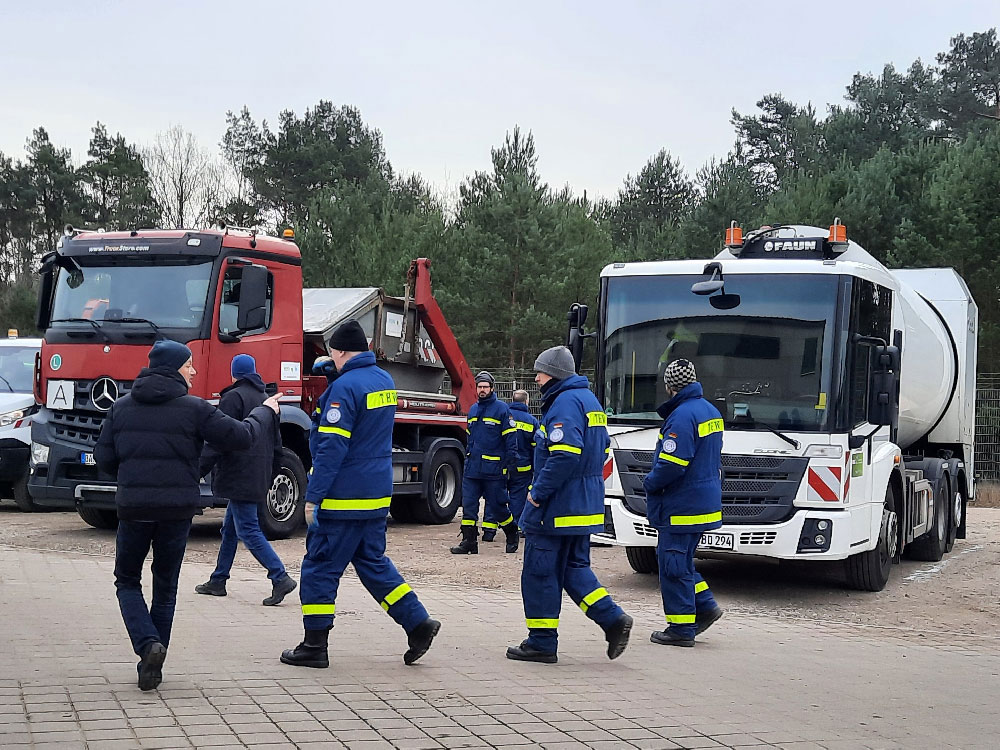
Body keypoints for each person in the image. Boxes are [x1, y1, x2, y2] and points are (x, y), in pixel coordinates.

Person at [95, 339, 279, 690]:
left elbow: (104, 460)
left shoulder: (121, 407)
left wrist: (134, 474)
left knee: (127, 580)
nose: (194, 371)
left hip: (134, 508)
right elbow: (242, 436)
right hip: (177, 510)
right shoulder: (195, 409)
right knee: (165, 586)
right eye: (189, 365)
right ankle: (153, 662)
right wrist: (264, 411)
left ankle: (147, 646)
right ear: (175, 368)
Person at [281, 320, 440, 669]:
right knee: (372, 562)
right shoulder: (384, 380)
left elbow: (332, 447)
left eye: (332, 353)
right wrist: (336, 380)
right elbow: (366, 423)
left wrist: (313, 496)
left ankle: (314, 645)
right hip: (376, 493)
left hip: (344, 496)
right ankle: (418, 623)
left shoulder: (344, 388)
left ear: (339, 351)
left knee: (320, 567)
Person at [506, 346, 632, 664]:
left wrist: (537, 494)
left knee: (539, 572)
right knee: (574, 569)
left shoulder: (564, 402)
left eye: (540, 372)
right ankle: (612, 619)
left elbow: (564, 454)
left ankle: (542, 642)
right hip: (584, 505)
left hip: (557, 507)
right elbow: (602, 448)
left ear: (554, 374)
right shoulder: (590, 401)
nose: (537, 379)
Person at [194, 354, 296, 606]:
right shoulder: (267, 400)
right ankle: (218, 579)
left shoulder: (232, 398)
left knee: (248, 530)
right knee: (230, 529)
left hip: (238, 474)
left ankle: (280, 577)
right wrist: (272, 472)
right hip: (257, 473)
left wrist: (198, 469)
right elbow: (277, 443)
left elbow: (219, 438)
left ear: (234, 374)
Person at [642, 358, 724, 647]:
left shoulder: (681, 416)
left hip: (682, 504)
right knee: (682, 561)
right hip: (702, 501)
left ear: (669, 386)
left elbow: (672, 464)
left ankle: (681, 627)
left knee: (672, 564)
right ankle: (705, 606)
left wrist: (650, 482)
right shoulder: (710, 411)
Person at [451, 371, 519, 554]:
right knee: (469, 506)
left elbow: (511, 440)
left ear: (492, 388)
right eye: (479, 387)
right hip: (472, 469)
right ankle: (469, 541)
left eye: (485, 387)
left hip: (494, 470)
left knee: (497, 506)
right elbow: (470, 438)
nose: (482, 390)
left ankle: (511, 532)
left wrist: (509, 465)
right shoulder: (473, 410)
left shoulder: (502, 409)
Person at [506, 389, 539, 528]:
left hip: (501, 466)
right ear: (527, 401)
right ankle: (515, 526)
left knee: (496, 495)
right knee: (518, 497)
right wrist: (536, 469)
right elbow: (536, 448)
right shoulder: (532, 421)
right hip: (523, 468)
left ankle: (490, 528)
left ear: (512, 400)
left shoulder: (504, 416)